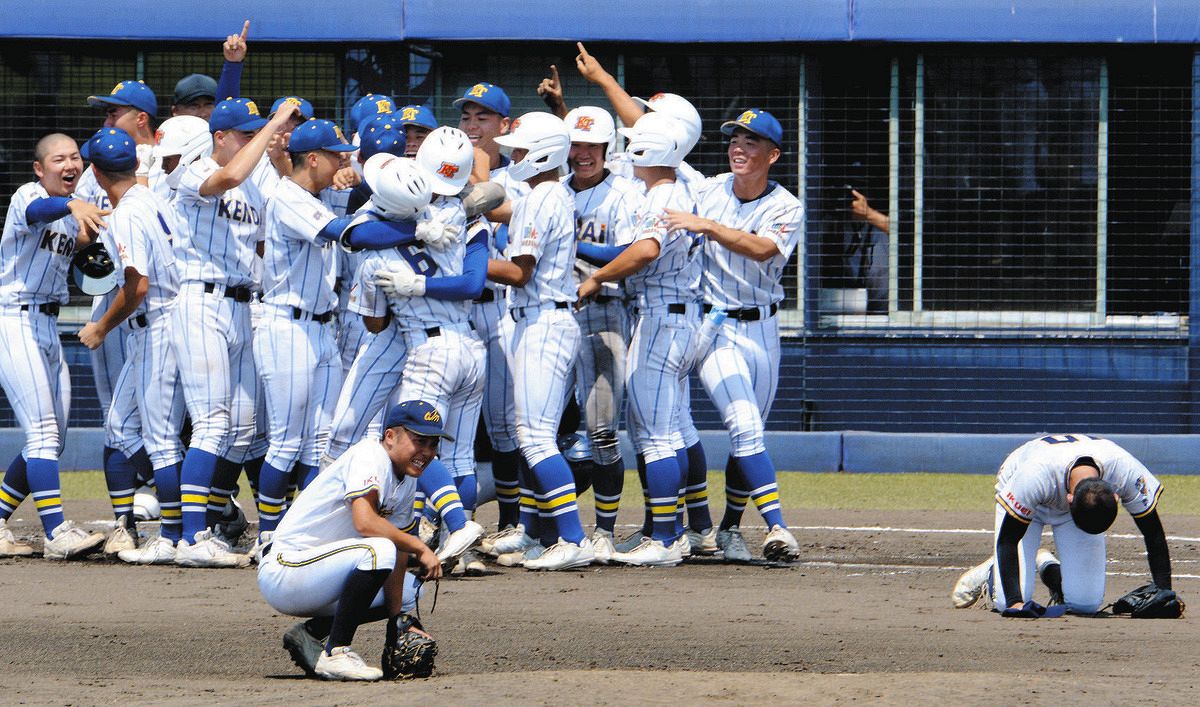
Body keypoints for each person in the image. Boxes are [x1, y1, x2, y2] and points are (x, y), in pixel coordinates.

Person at [662, 108, 803, 563]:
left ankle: (728, 530)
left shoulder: (786, 205)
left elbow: (763, 249)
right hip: (717, 326)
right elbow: (659, 140)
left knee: (752, 434)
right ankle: (778, 528)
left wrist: (711, 227)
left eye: (751, 142)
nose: (738, 148)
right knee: (742, 422)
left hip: (764, 327)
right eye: (735, 140)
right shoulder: (709, 188)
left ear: (773, 154)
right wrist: (603, 82)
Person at [169, 98, 299, 568]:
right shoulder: (190, 168)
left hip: (244, 305)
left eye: (253, 133)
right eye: (243, 134)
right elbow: (227, 178)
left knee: (243, 428)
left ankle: (217, 518)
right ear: (218, 136)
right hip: (199, 300)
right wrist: (271, 128)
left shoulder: (256, 187)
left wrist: (280, 149)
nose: (251, 141)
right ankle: (190, 536)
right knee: (211, 423)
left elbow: (282, 208)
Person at [577, 111, 699, 566]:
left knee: (655, 436)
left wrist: (596, 278)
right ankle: (675, 532)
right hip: (679, 313)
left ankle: (665, 539)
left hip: (663, 316)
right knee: (665, 431)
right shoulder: (679, 188)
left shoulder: (661, 195)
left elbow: (644, 250)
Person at [257, 400, 446, 681]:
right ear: (390, 436)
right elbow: (365, 521)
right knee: (378, 549)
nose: (427, 452)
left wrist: (397, 623)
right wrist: (420, 546)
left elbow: (399, 550)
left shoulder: (407, 480)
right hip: (287, 569)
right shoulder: (369, 455)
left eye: (433, 445)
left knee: (410, 591)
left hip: (322, 576)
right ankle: (337, 652)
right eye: (419, 441)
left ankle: (312, 634)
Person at [72, 128, 187, 563]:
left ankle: (176, 531)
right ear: (137, 166)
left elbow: (137, 286)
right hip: (167, 322)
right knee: (122, 429)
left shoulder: (126, 214)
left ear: (97, 173)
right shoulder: (152, 199)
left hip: (158, 325)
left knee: (159, 439)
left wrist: (101, 326)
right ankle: (185, 513)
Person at [487, 112, 594, 571]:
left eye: (520, 148)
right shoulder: (547, 193)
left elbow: (518, 272)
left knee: (534, 438)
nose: (513, 155)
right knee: (535, 434)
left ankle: (572, 537)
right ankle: (534, 531)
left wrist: (460, 263)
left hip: (543, 321)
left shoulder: (540, 197)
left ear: (544, 153)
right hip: (540, 318)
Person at [0, 133, 108, 559]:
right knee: (43, 434)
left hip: (47, 325)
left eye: (74, 158)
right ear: (39, 168)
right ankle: (57, 532)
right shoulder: (31, 196)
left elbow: (88, 255)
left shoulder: (72, 213)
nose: (69, 164)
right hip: (14, 319)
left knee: (53, 438)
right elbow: (36, 210)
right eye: (58, 159)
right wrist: (71, 205)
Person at [251, 119, 358, 551]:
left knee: (320, 441)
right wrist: (412, 231)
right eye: (335, 154)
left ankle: (304, 532)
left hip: (319, 327)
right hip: (285, 326)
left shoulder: (313, 193)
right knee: (286, 441)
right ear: (312, 158)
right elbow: (343, 232)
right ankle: (267, 535)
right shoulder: (287, 196)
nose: (343, 159)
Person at [951, 434, 1178, 616]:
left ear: (1115, 495)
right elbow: (1008, 539)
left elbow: (1153, 533)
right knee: (1005, 602)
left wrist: (1164, 591)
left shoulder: (1125, 470)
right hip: (1022, 491)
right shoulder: (1034, 476)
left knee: (1085, 604)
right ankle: (992, 573)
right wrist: (1015, 602)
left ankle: (1046, 565)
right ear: (1069, 501)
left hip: (1069, 496)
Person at [559, 105, 644, 560]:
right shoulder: (554, 191)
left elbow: (629, 250)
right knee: (547, 429)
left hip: (605, 311)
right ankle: (542, 525)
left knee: (602, 431)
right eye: (576, 145)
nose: (582, 154)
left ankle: (605, 531)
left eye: (591, 146)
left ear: (607, 148)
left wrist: (571, 242)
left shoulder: (625, 193)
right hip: (553, 316)